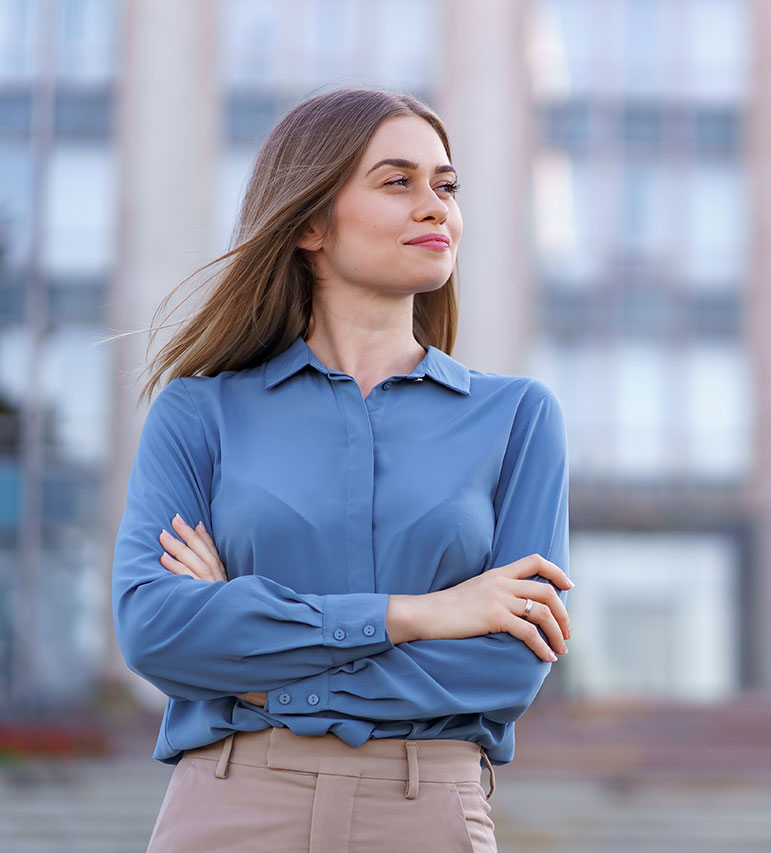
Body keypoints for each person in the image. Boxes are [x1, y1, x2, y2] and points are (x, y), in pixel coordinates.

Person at [110, 87, 573, 852]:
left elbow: (504, 663)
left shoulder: (519, 417)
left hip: (427, 812)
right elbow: (156, 628)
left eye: (446, 185)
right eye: (399, 182)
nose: (435, 207)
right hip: (230, 808)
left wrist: (257, 667)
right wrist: (422, 613)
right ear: (310, 223)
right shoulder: (200, 413)